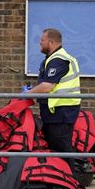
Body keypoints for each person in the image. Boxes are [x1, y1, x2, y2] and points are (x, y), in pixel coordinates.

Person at [25, 28, 81, 173]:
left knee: (61, 150)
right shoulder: (52, 59)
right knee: (56, 150)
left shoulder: (59, 60)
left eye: (42, 40)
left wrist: (27, 93)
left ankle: (70, 185)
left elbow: (47, 87)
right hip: (55, 112)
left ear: (51, 42)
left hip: (61, 113)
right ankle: (61, 184)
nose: (39, 43)